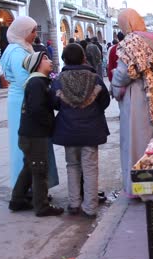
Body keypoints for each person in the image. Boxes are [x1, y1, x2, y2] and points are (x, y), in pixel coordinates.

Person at [110, 8, 153, 196]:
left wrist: (115, 85)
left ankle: (139, 188)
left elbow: (124, 73)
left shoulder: (132, 42)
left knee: (136, 142)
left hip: (138, 99)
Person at [51, 43, 110, 218]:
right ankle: (90, 207)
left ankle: (74, 203)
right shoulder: (95, 78)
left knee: (72, 166)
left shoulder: (59, 80)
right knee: (90, 167)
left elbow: (54, 104)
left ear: (64, 59)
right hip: (91, 130)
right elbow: (105, 101)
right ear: (83, 57)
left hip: (68, 130)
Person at [1, 16, 59, 191]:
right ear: (23, 32)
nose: (35, 34)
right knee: (29, 147)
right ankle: (28, 189)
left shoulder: (21, 48)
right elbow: (25, 80)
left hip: (25, 98)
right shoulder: (17, 52)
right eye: (32, 31)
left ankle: (32, 189)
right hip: (23, 100)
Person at [8, 52, 64, 216]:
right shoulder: (36, 83)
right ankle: (41, 206)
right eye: (45, 59)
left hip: (29, 134)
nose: (49, 61)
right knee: (40, 170)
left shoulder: (39, 82)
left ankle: (17, 200)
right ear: (37, 64)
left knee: (29, 167)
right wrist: (50, 124)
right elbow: (37, 109)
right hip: (35, 135)